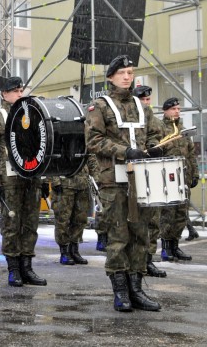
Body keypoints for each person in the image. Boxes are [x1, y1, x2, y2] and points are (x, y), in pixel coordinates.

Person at [86, 55, 162, 312]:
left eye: (130, 72)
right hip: (113, 181)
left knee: (141, 234)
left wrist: (153, 148)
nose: (127, 77)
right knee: (118, 235)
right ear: (111, 77)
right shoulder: (100, 106)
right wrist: (124, 151)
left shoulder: (143, 107)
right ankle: (120, 292)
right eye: (122, 73)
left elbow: (154, 134)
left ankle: (136, 289)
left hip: (140, 179)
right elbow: (93, 141)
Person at [0, 76, 46, 288]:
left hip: (31, 177)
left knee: (30, 223)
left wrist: (43, 177)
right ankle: (13, 269)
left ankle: (27, 267)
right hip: (8, 178)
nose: (20, 94)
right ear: (4, 94)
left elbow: (41, 146)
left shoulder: (31, 113)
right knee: (11, 224)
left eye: (21, 90)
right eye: (15, 91)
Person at [159, 97, 199, 263]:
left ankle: (175, 245)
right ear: (166, 111)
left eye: (178, 109)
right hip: (168, 180)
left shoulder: (182, 130)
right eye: (174, 109)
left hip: (184, 179)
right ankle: (166, 247)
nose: (177, 111)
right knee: (168, 214)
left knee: (181, 215)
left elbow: (191, 155)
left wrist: (194, 174)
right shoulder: (160, 129)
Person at [132, 85, 167, 278]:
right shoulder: (132, 118)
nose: (147, 102)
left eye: (148, 99)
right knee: (138, 220)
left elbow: (162, 143)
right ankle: (136, 262)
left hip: (154, 172)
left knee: (154, 220)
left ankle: (148, 259)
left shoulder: (156, 122)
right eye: (143, 99)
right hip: (136, 173)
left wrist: (155, 147)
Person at [46, 157, 96, 266]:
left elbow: (90, 157)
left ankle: (74, 250)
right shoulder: (59, 139)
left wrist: (98, 177)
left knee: (80, 219)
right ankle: (64, 251)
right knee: (63, 219)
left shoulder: (84, 139)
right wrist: (55, 180)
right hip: (64, 184)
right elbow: (51, 157)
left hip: (82, 183)